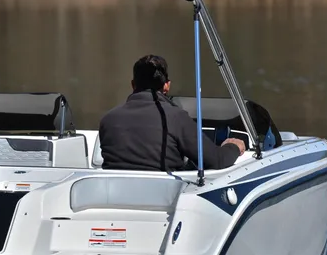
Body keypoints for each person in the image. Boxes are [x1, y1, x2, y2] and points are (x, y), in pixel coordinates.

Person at [99, 54, 245, 172]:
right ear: (167, 86)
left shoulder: (108, 119)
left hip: (112, 197)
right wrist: (233, 146)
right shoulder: (175, 117)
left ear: (133, 84)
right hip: (162, 197)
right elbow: (216, 160)